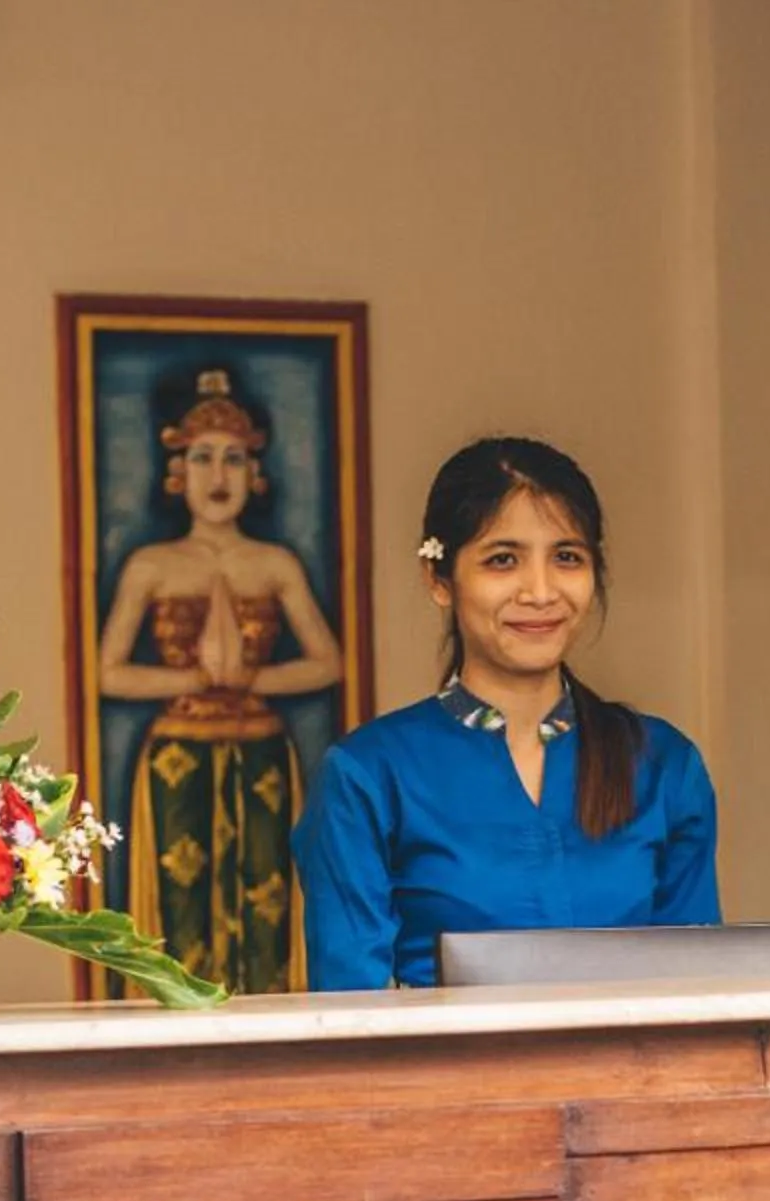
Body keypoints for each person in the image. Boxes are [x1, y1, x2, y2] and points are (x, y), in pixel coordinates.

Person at [293, 436, 719, 990]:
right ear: (439, 580)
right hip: (444, 1077)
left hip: (639, 1077)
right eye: (503, 560)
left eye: (567, 557)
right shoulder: (367, 776)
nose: (540, 592)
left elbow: (701, 1001)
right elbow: (351, 1016)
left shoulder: (663, 765)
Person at [95, 368, 344, 993]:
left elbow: (327, 662)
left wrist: (253, 677)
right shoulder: (152, 565)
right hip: (178, 749)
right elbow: (110, 672)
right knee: (181, 899)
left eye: (233, 459)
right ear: (177, 470)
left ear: (253, 472)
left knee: (266, 894)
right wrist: (195, 678)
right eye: (202, 458)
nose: (218, 475)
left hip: (261, 747)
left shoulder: (273, 563)